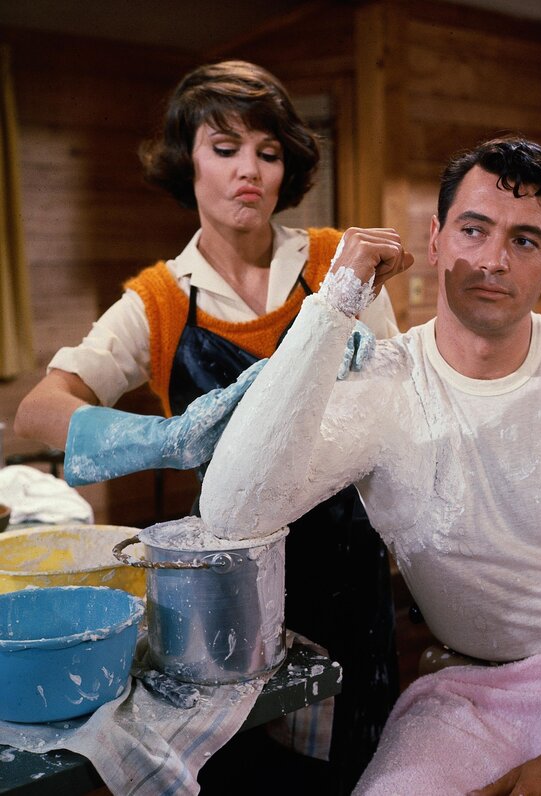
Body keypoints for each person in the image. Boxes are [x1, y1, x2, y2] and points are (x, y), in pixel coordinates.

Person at [200, 136, 541, 794]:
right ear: (436, 240)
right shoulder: (381, 386)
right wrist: (335, 301)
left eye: (525, 241)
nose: (492, 260)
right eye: (473, 230)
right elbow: (231, 511)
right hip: (466, 692)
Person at [14, 60, 400, 794]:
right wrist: (166, 438)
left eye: (268, 151)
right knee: (251, 771)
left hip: (348, 567)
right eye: (224, 148)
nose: (248, 170)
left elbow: (393, 408)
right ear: (186, 161)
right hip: (225, 586)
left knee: (355, 760)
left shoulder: (337, 263)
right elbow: (40, 407)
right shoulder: (159, 302)